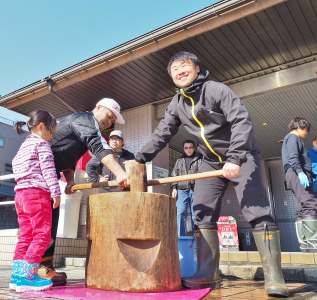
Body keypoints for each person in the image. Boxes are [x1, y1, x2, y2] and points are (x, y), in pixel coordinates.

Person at [133, 51, 288, 297]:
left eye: (184, 66)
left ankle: (275, 278)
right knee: (201, 211)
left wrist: (235, 157)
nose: (179, 71)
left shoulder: (216, 90)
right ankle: (207, 273)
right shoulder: (177, 104)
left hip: (243, 155)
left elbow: (242, 121)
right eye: (174, 70)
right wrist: (139, 160)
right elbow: (162, 133)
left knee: (256, 211)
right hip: (210, 162)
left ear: (196, 68)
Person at [38, 98, 129, 286]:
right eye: (108, 115)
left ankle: (44, 266)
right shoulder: (85, 120)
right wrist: (120, 173)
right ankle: (35, 269)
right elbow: (99, 147)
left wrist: (70, 179)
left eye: (112, 120)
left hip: (49, 175)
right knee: (43, 222)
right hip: (38, 174)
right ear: (97, 107)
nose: (109, 121)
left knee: (50, 220)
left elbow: (65, 154)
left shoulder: (86, 124)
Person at [10, 110, 60, 293]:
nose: (52, 136)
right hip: (37, 195)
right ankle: (29, 277)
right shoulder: (42, 145)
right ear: (41, 127)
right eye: (51, 132)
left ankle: (16, 277)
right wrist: (56, 192)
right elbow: (48, 170)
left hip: (20, 195)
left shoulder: (23, 146)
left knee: (26, 235)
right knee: (42, 235)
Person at [282, 118, 317, 253]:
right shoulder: (293, 138)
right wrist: (300, 172)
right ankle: (314, 243)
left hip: (292, 175)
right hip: (297, 174)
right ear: (298, 127)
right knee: (310, 203)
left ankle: (305, 244)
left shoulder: (288, 139)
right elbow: (293, 157)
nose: (307, 133)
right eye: (306, 129)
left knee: (301, 208)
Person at [171, 140, 202, 236]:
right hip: (181, 189)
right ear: (184, 149)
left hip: (196, 189)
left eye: (190, 147)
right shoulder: (179, 161)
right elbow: (174, 175)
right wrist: (174, 188)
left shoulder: (199, 159)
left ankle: (196, 237)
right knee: (180, 213)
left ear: (194, 148)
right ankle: (181, 237)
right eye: (186, 147)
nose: (188, 149)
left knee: (195, 214)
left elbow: (203, 175)